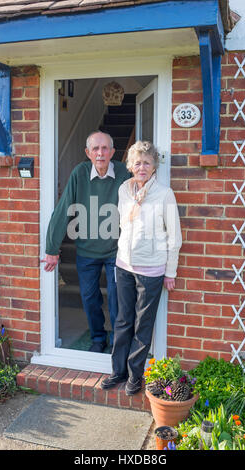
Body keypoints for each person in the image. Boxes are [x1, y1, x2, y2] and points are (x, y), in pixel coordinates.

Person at [101, 140, 182, 395]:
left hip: (152, 269)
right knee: (123, 320)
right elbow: (124, 225)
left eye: (147, 162)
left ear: (154, 165)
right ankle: (118, 371)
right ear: (130, 165)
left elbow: (175, 237)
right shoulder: (124, 189)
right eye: (137, 163)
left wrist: (170, 271)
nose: (142, 167)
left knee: (142, 324)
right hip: (124, 265)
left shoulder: (164, 193)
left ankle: (135, 376)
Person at [42, 131, 130, 353]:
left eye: (104, 149)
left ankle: (119, 341)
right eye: (95, 149)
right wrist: (52, 249)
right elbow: (63, 211)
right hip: (86, 251)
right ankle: (98, 338)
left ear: (112, 152)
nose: (100, 153)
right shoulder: (80, 173)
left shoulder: (124, 172)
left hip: (116, 251)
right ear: (88, 153)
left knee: (117, 299)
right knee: (90, 299)